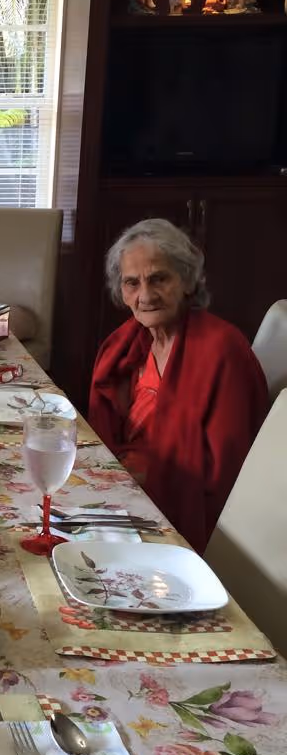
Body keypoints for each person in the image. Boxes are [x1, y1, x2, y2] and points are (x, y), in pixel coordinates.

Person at [89, 219, 268, 553]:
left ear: (186, 280)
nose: (145, 295)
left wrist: (142, 477)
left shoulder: (222, 350)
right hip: (121, 490)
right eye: (132, 283)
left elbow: (226, 470)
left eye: (159, 278)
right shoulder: (125, 343)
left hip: (179, 513)